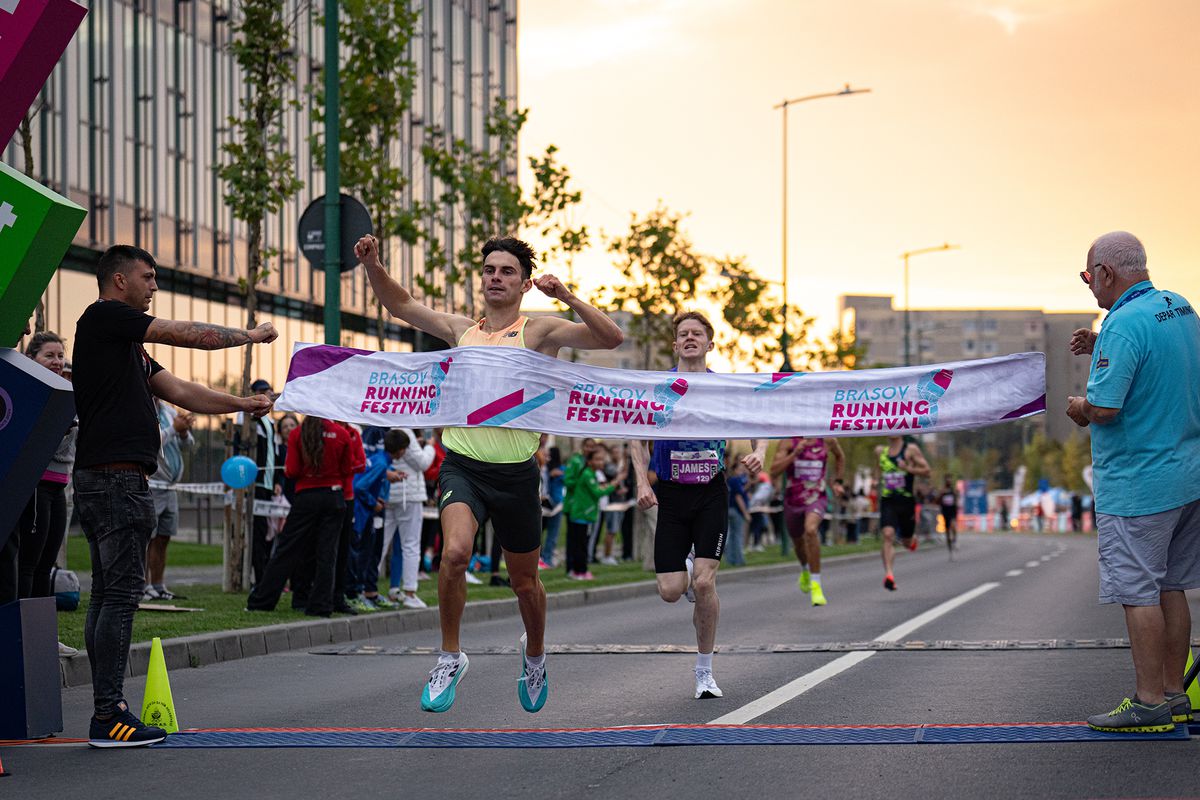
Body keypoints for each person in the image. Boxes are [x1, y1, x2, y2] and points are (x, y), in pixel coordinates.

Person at [356, 233, 623, 714]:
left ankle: (536, 655)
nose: (495, 277)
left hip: (516, 473)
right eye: (489, 270)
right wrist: (374, 264)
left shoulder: (539, 331)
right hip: (463, 464)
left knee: (525, 584)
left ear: (523, 284)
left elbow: (610, 338)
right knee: (455, 553)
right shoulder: (462, 329)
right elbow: (402, 306)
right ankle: (450, 656)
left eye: (507, 272)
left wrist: (566, 297)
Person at [73, 244, 275, 747]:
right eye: (149, 277)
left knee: (107, 595)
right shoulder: (105, 318)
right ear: (119, 281)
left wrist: (242, 404)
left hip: (113, 480)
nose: (155, 286)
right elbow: (183, 334)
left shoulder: (125, 345)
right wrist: (248, 337)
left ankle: (106, 710)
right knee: (120, 598)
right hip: (116, 482)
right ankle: (108, 716)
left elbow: (183, 392)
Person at [1065, 231, 1200, 732]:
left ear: (1105, 273)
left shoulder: (1121, 323)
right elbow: (1165, 363)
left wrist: (1077, 407)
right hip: (1188, 475)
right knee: (1173, 587)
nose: (1089, 288)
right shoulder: (1179, 308)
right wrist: (1102, 344)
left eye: (1087, 277)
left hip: (1139, 484)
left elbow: (1103, 407)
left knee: (1139, 591)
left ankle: (1148, 705)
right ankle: (1173, 691)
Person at [630, 312, 766, 700]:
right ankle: (686, 569)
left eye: (697, 334)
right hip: (671, 494)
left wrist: (759, 453)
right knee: (671, 590)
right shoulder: (660, 388)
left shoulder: (723, 389)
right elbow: (635, 435)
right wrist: (642, 481)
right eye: (683, 334)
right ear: (675, 345)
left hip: (710, 492)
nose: (690, 338)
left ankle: (704, 672)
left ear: (710, 343)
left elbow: (761, 422)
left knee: (706, 583)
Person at [248, 416, 356, 618]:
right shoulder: (341, 434)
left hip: (306, 496)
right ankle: (321, 605)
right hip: (333, 495)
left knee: (287, 549)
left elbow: (292, 470)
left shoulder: (298, 433)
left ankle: (263, 600)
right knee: (327, 554)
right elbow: (347, 469)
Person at [19, 332, 79, 657]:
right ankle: (24, 636)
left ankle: (45, 637)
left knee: (47, 567)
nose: (57, 362)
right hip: (36, 485)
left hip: (60, 487)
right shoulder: (34, 393)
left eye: (60, 356)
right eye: (49, 356)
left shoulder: (67, 393)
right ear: (33, 359)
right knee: (29, 564)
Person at [771, 436, 845, 606]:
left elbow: (840, 456)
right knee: (798, 542)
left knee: (811, 530)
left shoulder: (828, 440)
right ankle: (805, 569)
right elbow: (774, 471)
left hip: (816, 497)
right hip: (793, 500)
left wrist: (838, 481)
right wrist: (794, 454)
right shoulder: (788, 442)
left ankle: (816, 584)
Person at [349, 428, 407, 610]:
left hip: (369, 512)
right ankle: (355, 592)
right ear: (401, 450)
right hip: (362, 512)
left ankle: (368, 592)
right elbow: (359, 487)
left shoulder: (382, 461)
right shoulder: (381, 463)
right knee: (361, 551)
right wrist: (373, 502)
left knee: (371, 550)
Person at [144, 398, 195, 600]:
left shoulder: (168, 410)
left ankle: (158, 585)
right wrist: (174, 429)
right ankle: (143, 585)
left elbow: (189, 444)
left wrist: (183, 432)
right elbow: (150, 442)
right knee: (148, 538)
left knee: (164, 537)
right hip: (152, 485)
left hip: (170, 488)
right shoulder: (143, 407)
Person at [383, 428, 436, 608]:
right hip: (408, 494)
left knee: (381, 544)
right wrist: (429, 447)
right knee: (411, 545)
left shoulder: (387, 427)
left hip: (388, 493)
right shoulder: (406, 431)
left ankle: (364, 589)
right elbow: (422, 463)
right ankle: (410, 593)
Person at [875, 435, 931, 591]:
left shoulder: (910, 450)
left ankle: (911, 540)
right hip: (888, 500)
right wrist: (875, 481)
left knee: (906, 542)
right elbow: (878, 471)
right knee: (888, 534)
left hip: (906, 501)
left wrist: (909, 469)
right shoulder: (880, 451)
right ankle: (889, 575)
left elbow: (927, 471)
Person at [236, 379, 278, 587]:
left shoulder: (270, 423)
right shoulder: (248, 419)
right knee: (257, 533)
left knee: (268, 533)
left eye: (268, 390)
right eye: (261, 392)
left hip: (268, 484)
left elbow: (273, 453)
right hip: (256, 483)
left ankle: (263, 575)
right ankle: (258, 578)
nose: (267, 394)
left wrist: (276, 480)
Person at [564, 447, 624, 580]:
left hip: (586, 515)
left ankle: (580, 570)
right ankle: (580, 571)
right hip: (581, 515)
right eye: (597, 459)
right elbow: (598, 492)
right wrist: (615, 483)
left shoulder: (591, 474)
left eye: (602, 459)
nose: (601, 462)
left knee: (582, 544)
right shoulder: (587, 474)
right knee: (581, 545)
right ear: (589, 461)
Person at [539, 446, 565, 569]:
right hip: (549, 505)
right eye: (545, 455)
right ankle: (545, 559)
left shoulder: (553, 470)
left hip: (553, 505)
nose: (547, 458)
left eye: (549, 456)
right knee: (546, 534)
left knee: (550, 535)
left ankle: (546, 558)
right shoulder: (546, 470)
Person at [725, 461, 751, 567]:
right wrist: (745, 513)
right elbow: (738, 497)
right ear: (735, 470)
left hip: (729, 509)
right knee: (738, 535)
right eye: (740, 469)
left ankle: (730, 559)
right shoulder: (736, 480)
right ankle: (739, 560)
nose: (742, 471)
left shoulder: (731, 480)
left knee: (731, 536)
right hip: (736, 510)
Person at [939, 477, 959, 549]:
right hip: (945, 511)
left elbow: (956, 498)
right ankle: (948, 541)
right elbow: (939, 500)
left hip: (952, 511)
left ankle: (955, 540)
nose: (949, 482)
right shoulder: (942, 491)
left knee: (953, 525)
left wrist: (956, 506)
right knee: (947, 528)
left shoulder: (953, 490)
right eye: (947, 481)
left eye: (950, 481)